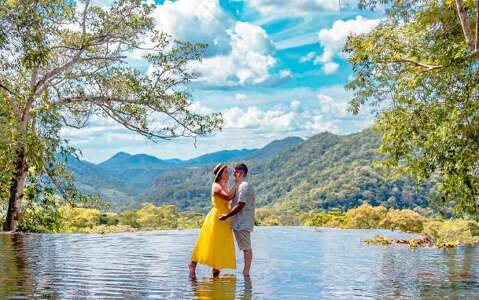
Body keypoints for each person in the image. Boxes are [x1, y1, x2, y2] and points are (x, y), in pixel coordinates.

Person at [189, 164, 240, 278]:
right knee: (208, 242)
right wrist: (236, 183)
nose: (228, 174)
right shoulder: (216, 186)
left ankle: (216, 271)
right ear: (220, 173)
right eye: (226, 172)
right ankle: (192, 265)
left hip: (224, 218)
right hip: (216, 218)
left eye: (227, 172)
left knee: (219, 244)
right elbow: (227, 197)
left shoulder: (224, 185)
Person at [219, 163, 255, 277]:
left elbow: (240, 204)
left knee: (246, 247)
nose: (233, 173)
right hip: (239, 221)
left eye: (235, 171)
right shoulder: (240, 184)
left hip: (242, 221)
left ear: (241, 172)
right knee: (245, 247)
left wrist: (226, 216)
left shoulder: (244, 186)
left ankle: (246, 272)